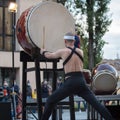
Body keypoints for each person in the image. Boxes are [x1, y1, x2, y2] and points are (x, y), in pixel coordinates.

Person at [40, 32, 114, 120]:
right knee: (97, 105)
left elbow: (49, 56)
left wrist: (43, 51)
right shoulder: (80, 52)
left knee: (50, 101)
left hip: (70, 82)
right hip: (81, 81)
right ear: (74, 40)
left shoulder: (63, 51)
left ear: (64, 41)